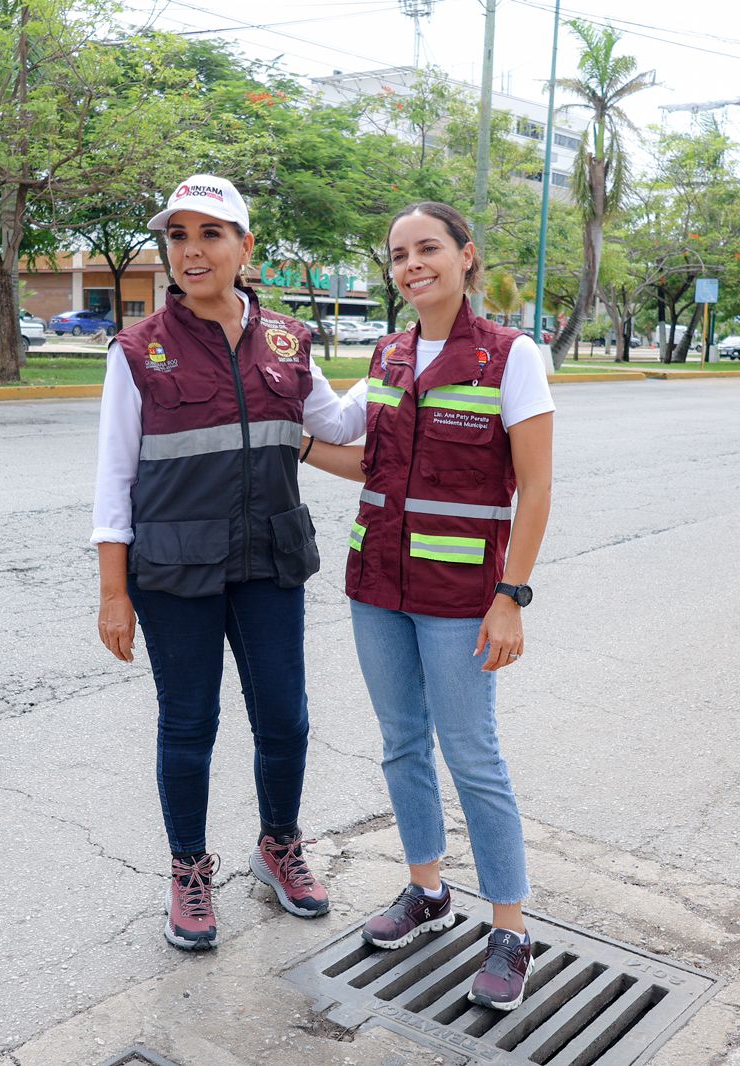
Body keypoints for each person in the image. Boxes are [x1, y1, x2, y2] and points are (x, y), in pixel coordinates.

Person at [91, 175, 363, 951]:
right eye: (178, 235)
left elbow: (336, 421)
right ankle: (188, 872)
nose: (192, 250)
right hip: (174, 569)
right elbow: (113, 480)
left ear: (246, 247)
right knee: (189, 723)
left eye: (211, 233)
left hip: (269, 557)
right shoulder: (140, 350)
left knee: (285, 715)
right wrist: (114, 592)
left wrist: (403, 362)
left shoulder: (286, 338)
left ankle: (280, 847)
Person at [303, 201, 554, 1011]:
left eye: (428, 249)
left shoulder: (511, 357)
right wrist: (297, 439)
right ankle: (427, 890)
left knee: (472, 756)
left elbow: (538, 486)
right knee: (402, 744)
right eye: (399, 255)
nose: (412, 264)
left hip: (460, 597)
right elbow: (369, 462)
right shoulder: (389, 352)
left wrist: (511, 597)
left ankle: (510, 929)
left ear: (465, 257)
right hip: (376, 586)